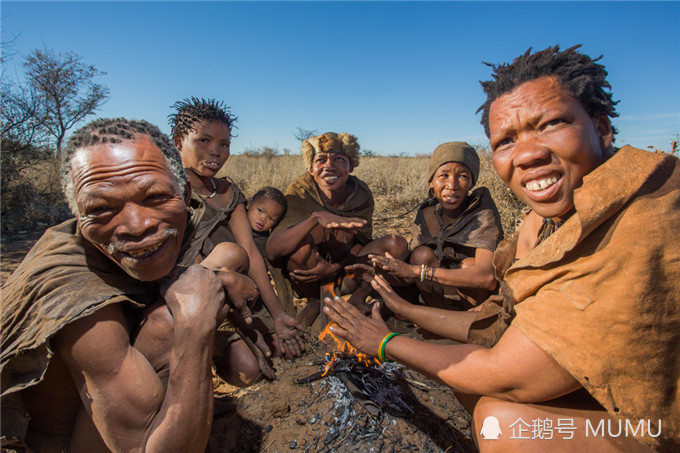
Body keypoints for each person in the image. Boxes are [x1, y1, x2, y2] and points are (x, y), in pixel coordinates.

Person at [324, 45, 679, 452]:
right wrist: (403, 309)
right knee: (467, 385)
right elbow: (492, 322)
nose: (527, 154)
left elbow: (505, 367)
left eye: (551, 124)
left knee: (501, 423)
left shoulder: (645, 219)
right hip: (566, 377)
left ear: (601, 129)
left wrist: (384, 342)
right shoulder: (545, 221)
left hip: (656, 423)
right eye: (506, 141)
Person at [0, 118, 242, 452]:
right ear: (77, 217)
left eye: (155, 197)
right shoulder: (73, 299)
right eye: (101, 209)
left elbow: (231, 255)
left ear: (185, 194)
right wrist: (196, 328)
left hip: (117, 407)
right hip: (62, 443)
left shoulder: (187, 217)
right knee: (174, 319)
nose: (136, 226)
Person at [169, 98, 305, 382]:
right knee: (231, 255)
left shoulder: (228, 191)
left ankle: (218, 340)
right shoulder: (165, 187)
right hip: (172, 294)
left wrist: (278, 315)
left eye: (224, 144)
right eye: (204, 140)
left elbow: (252, 255)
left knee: (251, 370)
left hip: (222, 294)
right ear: (179, 141)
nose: (215, 152)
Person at [265, 132, 407, 330]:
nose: (329, 166)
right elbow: (273, 250)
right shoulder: (299, 192)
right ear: (311, 167)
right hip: (309, 276)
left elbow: (362, 242)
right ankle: (314, 300)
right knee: (300, 243)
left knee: (396, 243)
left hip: (345, 273)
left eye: (339, 159)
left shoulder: (360, 194)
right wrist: (314, 218)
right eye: (320, 160)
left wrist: (336, 267)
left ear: (351, 165)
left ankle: (357, 298)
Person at [368, 141, 503, 309]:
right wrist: (379, 273)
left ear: (472, 183)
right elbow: (410, 273)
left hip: (474, 293)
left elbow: (487, 278)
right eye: (443, 176)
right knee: (421, 255)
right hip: (439, 291)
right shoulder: (427, 213)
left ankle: (472, 319)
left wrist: (418, 272)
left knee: (469, 265)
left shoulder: (482, 212)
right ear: (431, 181)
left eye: (463, 176)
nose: (452, 185)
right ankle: (438, 316)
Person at [246, 186, 287, 259]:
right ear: (249, 204)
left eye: (271, 218)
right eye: (260, 210)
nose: (263, 219)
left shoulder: (264, 243)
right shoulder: (235, 218)